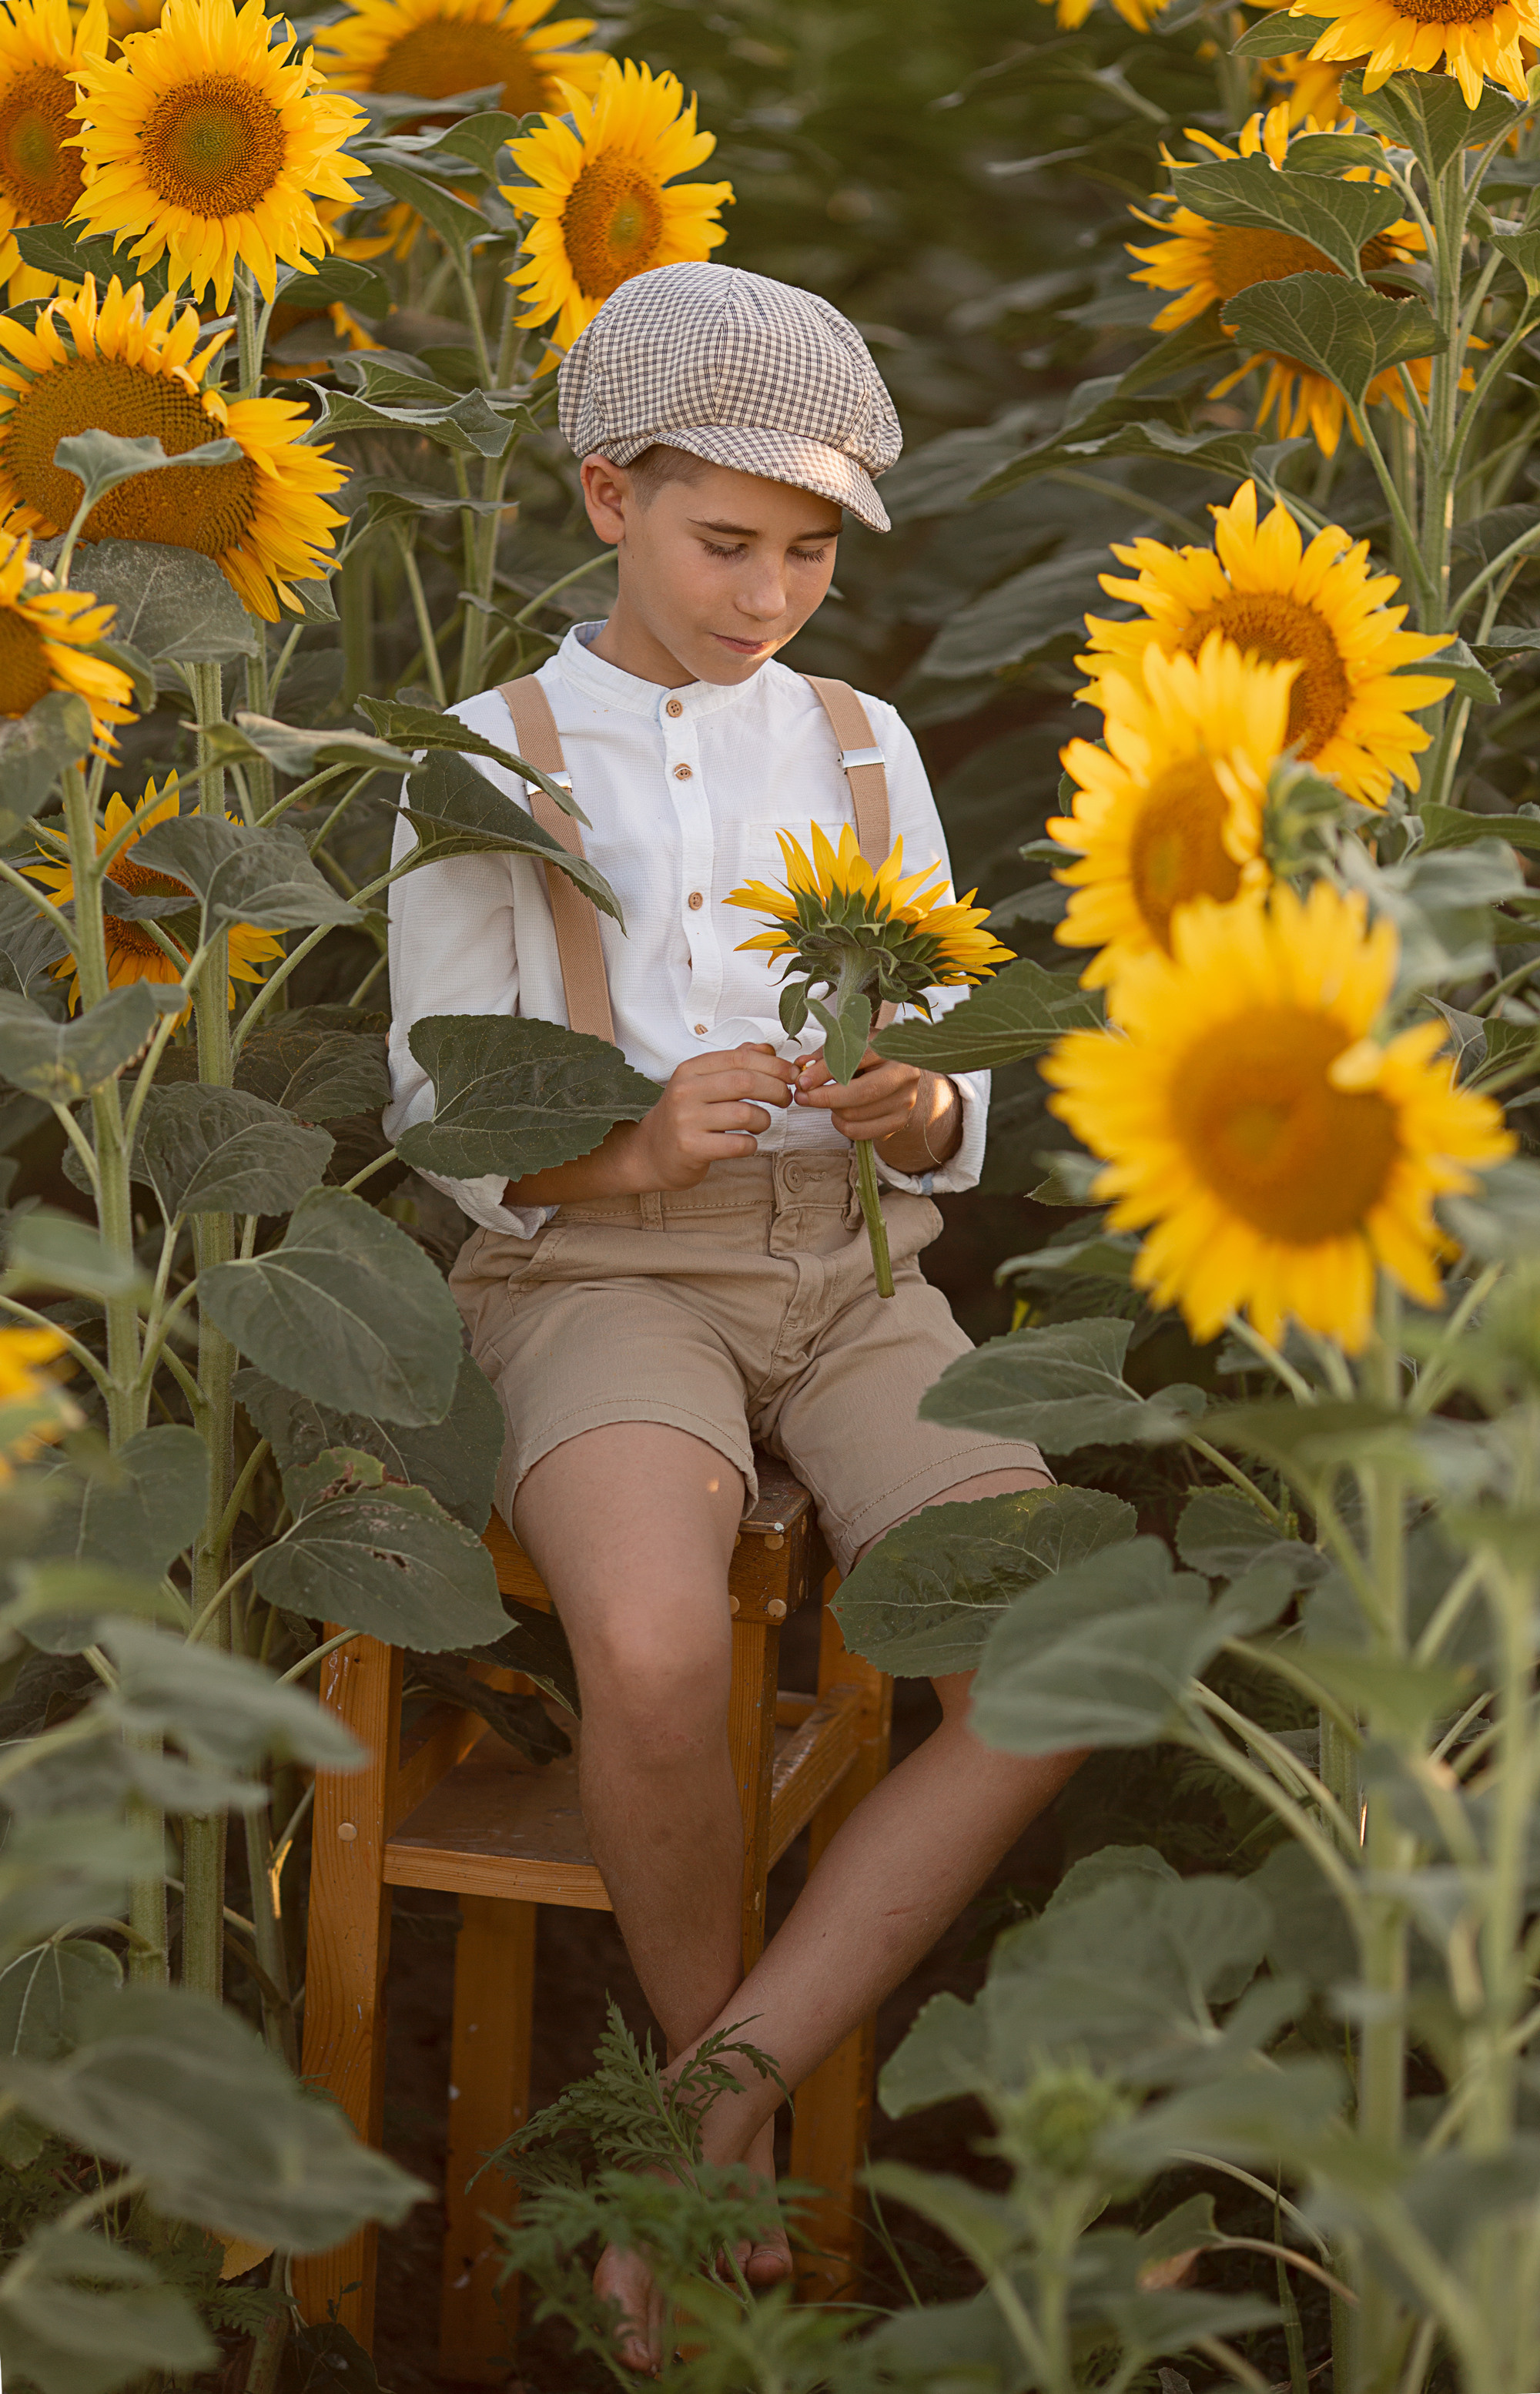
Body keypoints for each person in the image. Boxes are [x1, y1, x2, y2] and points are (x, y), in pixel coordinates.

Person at [385, 259, 1081, 2372]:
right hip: (592, 1273)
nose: (769, 591)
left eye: (805, 551)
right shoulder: (490, 753)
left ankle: (698, 2109)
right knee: (663, 1636)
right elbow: (436, 1105)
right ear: (607, 498)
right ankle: (729, 2089)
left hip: (854, 1272)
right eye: (724, 541)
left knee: (1064, 1652)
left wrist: (927, 1093)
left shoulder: (862, 748)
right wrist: (625, 1142)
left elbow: (957, 1068)